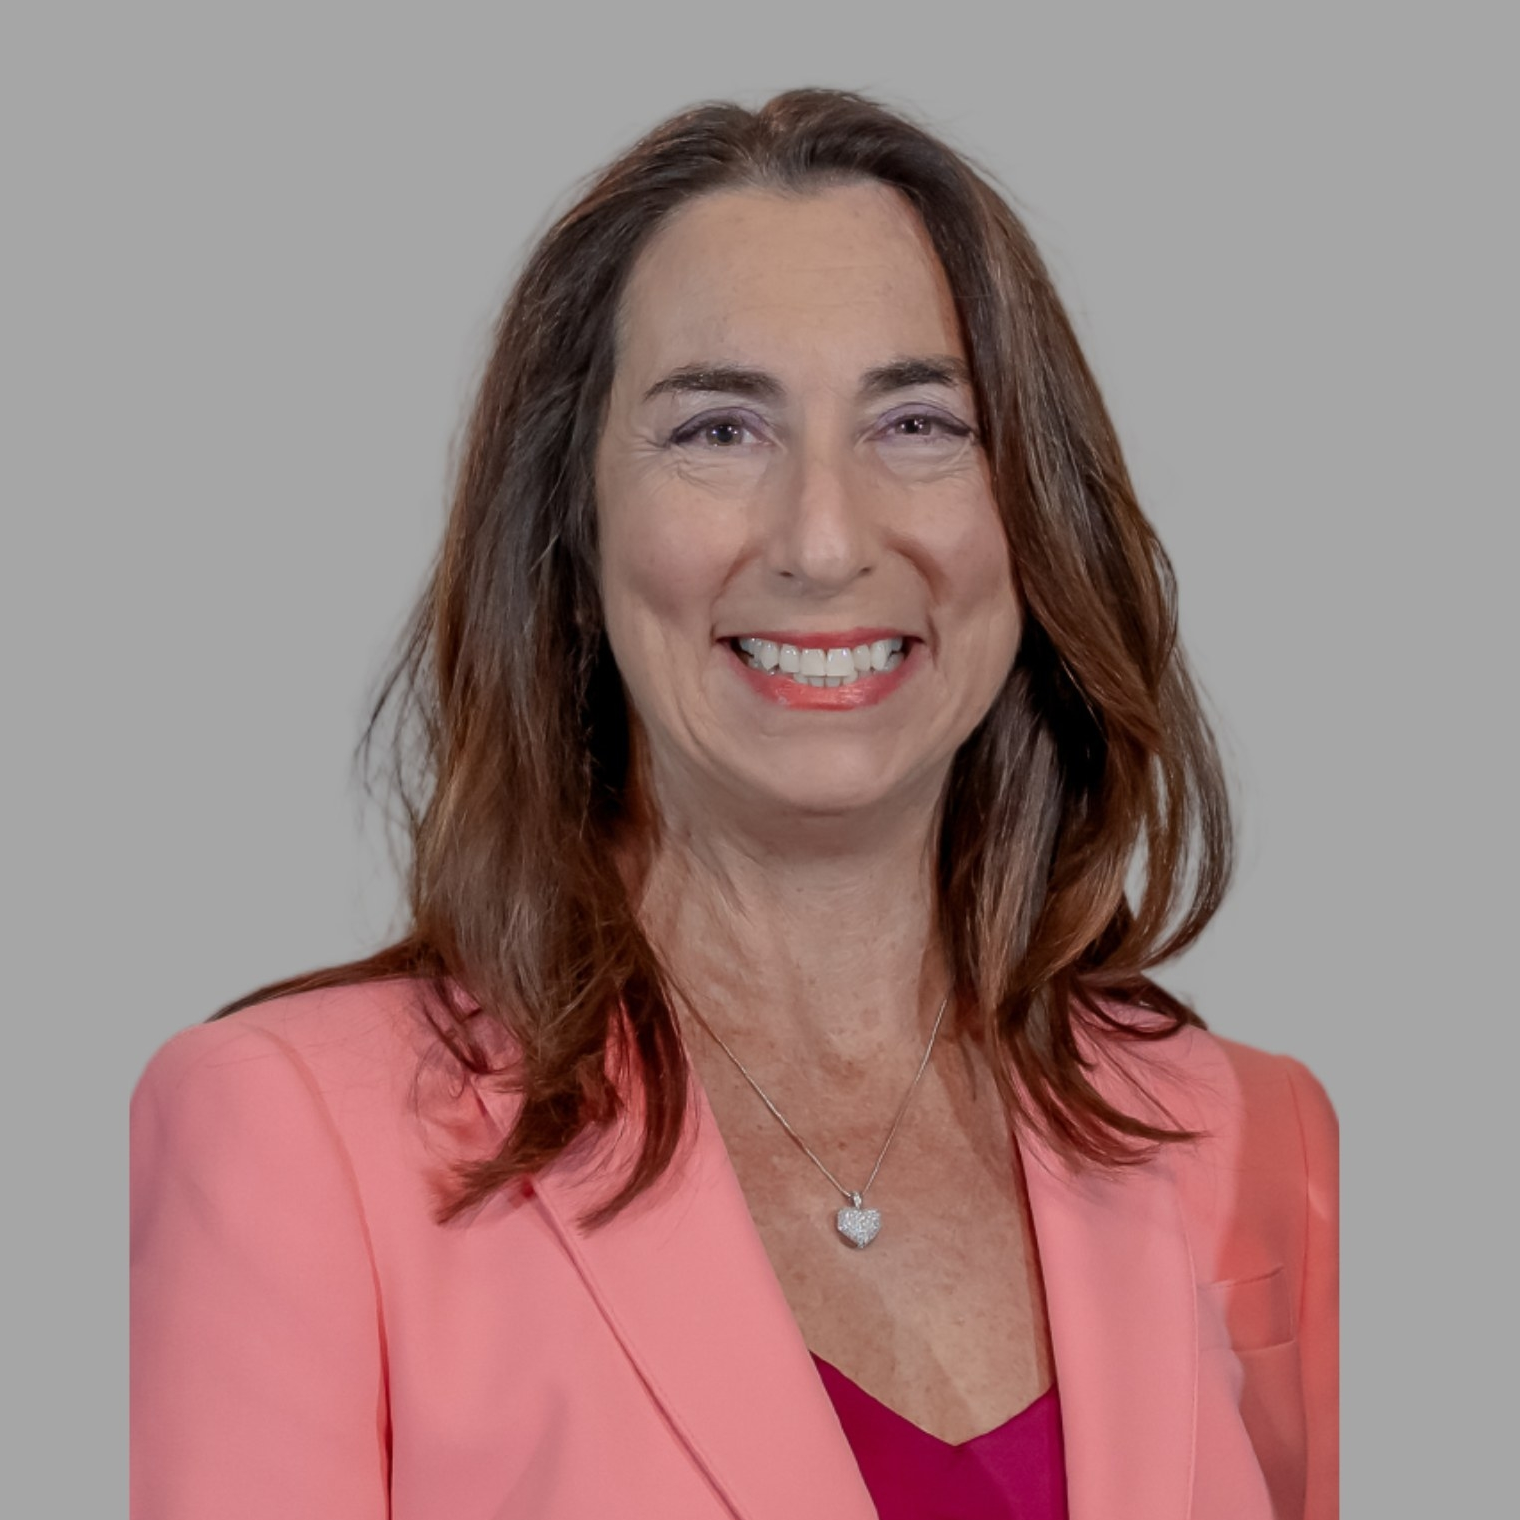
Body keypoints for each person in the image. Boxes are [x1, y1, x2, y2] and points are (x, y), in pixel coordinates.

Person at [129, 88, 1338, 1520]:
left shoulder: (1255, 1140)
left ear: (1030, 514)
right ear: (571, 533)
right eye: (717, 431)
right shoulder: (287, 1142)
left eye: (920, 421)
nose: (824, 540)